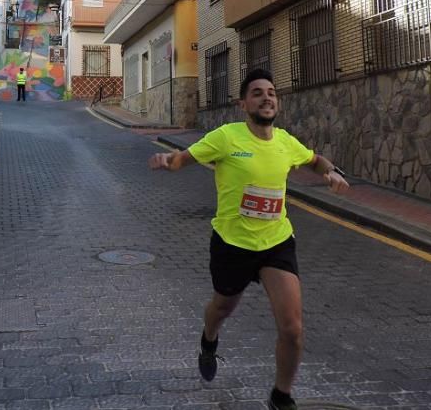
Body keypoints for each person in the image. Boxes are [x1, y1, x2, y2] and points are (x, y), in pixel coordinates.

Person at [148, 68, 348, 410]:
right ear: (244, 104)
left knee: (292, 329)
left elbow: (315, 160)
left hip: (276, 242)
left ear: (277, 103)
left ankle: (280, 396)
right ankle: (209, 339)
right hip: (232, 244)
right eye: (257, 92)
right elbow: (186, 158)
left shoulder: (286, 142)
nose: (266, 97)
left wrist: (332, 171)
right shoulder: (227, 137)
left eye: (271, 92)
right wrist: (170, 160)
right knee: (223, 307)